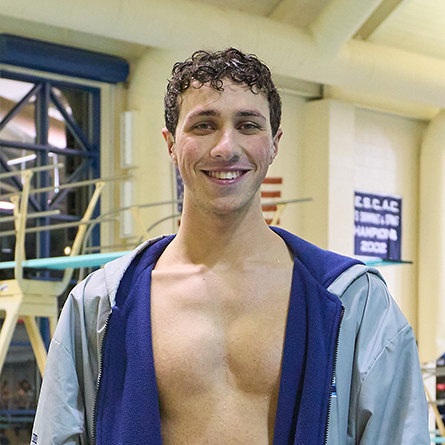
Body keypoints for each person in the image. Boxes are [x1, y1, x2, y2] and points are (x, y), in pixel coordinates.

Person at [31, 48, 429, 444]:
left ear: (274, 143)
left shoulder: (356, 305)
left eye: (248, 125)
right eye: (204, 125)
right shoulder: (100, 307)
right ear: (171, 144)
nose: (225, 147)